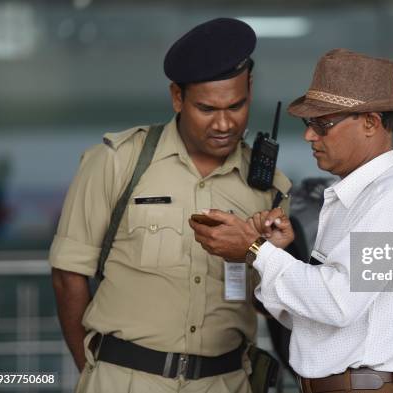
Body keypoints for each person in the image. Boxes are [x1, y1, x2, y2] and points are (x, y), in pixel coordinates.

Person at [49, 18, 290, 393]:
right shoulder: (116, 164)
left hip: (225, 382)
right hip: (124, 379)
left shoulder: (270, 189)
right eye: (207, 109)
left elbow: (266, 303)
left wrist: (270, 255)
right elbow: (68, 276)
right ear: (178, 97)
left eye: (237, 105)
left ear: (251, 91)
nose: (225, 123)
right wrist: (93, 373)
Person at [190, 49, 393, 393]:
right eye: (309, 125)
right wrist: (276, 253)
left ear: (371, 122)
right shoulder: (356, 198)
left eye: (323, 125)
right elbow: (311, 317)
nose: (309, 136)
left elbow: (337, 304)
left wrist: (256, 249)